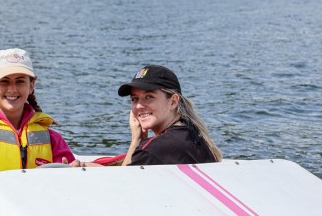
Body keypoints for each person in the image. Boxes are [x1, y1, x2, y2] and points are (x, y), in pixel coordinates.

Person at [71, 64, 221, 167]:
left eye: (149, 97)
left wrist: (136, 140)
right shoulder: (192, 134)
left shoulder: (156, 148)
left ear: (173, 101)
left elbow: (124, 182)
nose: (139, 106)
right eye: (134, 99)